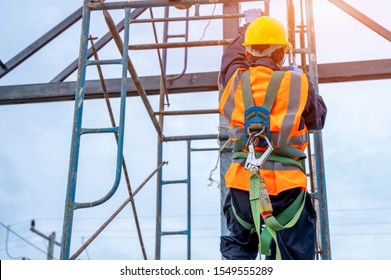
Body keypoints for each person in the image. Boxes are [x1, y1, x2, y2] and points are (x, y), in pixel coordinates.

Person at [218, 10, 327, 260]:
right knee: (293, 258)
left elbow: (230, 61)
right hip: (286, 192)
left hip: (243, 186)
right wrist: (300, 81)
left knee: (238, 250)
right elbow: (318, 119)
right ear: (282, 53)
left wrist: (247, 29)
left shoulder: (235, 81)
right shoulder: (298, 84)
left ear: (247, 52)